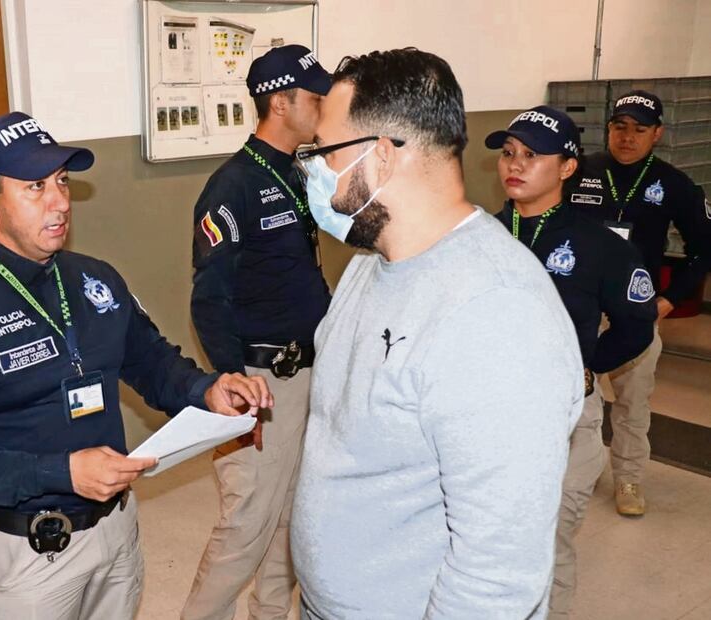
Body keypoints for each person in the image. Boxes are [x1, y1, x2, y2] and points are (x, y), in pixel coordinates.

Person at [0, 111, 272, 620]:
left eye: (62, 181)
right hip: (32, 547)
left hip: (117, 524)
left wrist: (206, 390)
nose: (59, 201)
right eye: (35, 186)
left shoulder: (95, 279)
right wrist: (62, 472)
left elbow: (151, 360)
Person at [289, 48, 585, 618]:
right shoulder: (367, 267)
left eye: (322, 153)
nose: (310, 171)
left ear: (379, 157)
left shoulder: (496, 314)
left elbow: (497, 573)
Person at [486, 106, 658, 617]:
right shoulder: (480, 237)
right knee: (489, 546)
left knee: (549, 543)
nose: (515, 164)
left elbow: (635, 325)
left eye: (532, 156)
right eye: (508, 153)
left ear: (566, 168)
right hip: (490, 417)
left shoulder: (598, 245)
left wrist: (587, 365)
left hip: (565, 422)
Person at [183, 44, 331, 620]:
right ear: (279, 101)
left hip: (306, 375)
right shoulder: (233, 186)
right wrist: (235, 382)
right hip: (264, 382)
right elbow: (209, 297)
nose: (323, 107)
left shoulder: (297, 172)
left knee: (292, 516)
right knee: (246, 524)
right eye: (314, 97)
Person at [569, 90, 711, 515]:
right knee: (581, 402)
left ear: (658, 134)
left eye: (639, 129)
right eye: (619, 127)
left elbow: (704, 249)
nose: (627, 138)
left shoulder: (673, 183)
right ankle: (583, 469)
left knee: (632, 403)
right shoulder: (581, 171)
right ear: (609, 129)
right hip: (583, 311)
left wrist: (668, 300)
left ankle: (629, 479)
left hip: (636, 313)